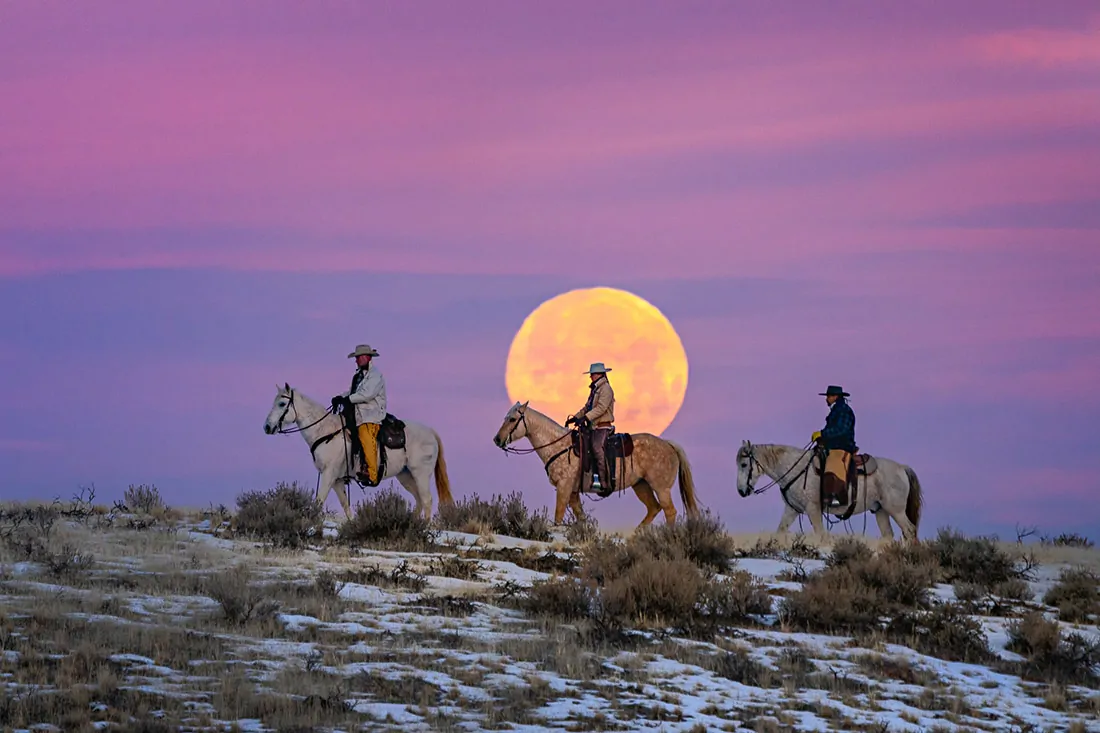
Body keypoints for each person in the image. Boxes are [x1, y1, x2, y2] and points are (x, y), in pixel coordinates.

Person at [333, 344, 386, 485]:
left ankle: (372, 476)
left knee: (365, 436)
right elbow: (352, 392)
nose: (356, 360)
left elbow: (366, 394)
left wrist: (348, 399)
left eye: (358, 357)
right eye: (356, 358)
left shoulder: (375, 375)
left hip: (370, 416)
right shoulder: (358, 376)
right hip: (358, 415)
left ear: (367, 358)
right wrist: (340, 397)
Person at [568, 362, 616, 495]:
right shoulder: (595, 389)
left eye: (593, 374)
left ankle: (603, 481)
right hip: (593, 426)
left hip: (602, 427)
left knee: (596, 447)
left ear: (600, 374)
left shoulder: (606, 389)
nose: (591, 377)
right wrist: (576, 417)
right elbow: (587, 407)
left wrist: (586, 418)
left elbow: (601, 408)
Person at [812, 385, 857, 507]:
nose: (827, 398)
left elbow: (841, 429)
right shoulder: (837, 410)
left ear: (835, 397)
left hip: (842, 445)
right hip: (832, 445)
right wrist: (821, 437)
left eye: (829, 396)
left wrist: (823, 433)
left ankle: (835, 495)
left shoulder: (843, 410)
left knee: (833, 463)